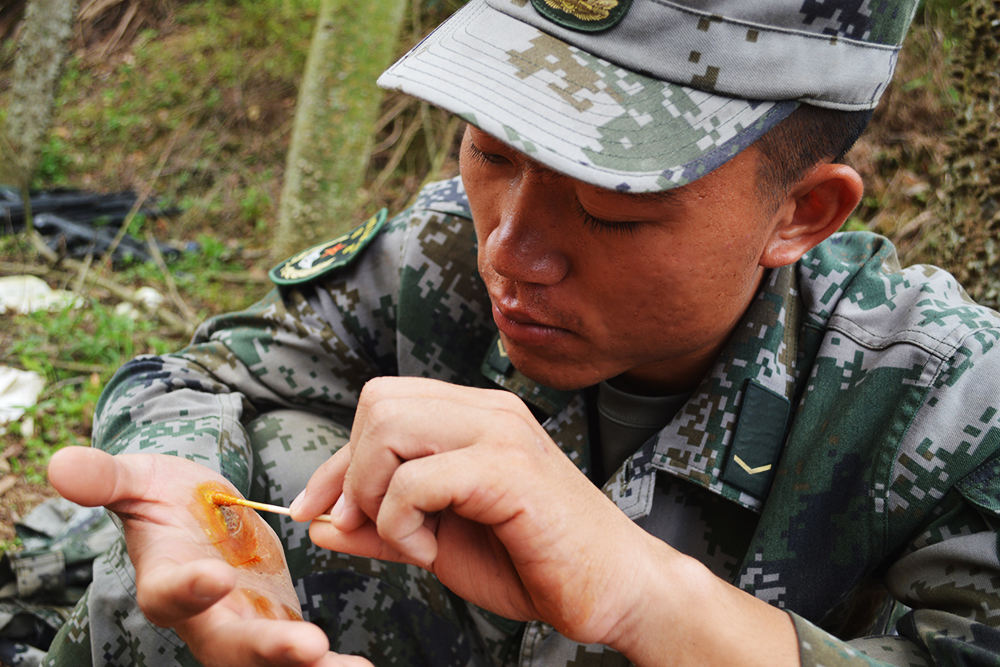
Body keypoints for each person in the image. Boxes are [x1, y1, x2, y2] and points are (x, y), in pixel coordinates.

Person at [44, 0, 1000, 665]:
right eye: (493, 150)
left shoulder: (947, 404)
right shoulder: (446, 247)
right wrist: (194, 496)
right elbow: (203, 375)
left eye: (612, 208)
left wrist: (648, 598)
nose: (512, 249)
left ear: (802, 215)